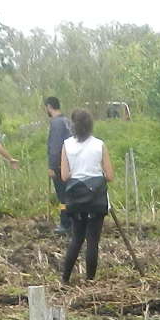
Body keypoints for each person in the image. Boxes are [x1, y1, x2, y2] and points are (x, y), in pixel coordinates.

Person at [58, 109, 110, 284]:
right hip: (96, 200)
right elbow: (109, 175)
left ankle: (65, 278)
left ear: (74, 126)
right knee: (93, 240)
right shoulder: (99, 145)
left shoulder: (66, 145)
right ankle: (90, 280)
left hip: (75, 200)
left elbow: (64, 176)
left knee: (77, 238)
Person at [44, 96, 70, 235]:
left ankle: (65, 224)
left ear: (49, 107)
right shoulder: (67, 121)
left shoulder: (56, 123)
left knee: (63, 196)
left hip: (60, 166)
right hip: (70, 164)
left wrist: (52, 166)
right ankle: (71, 222)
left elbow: (55, 147)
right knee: (68, 194)